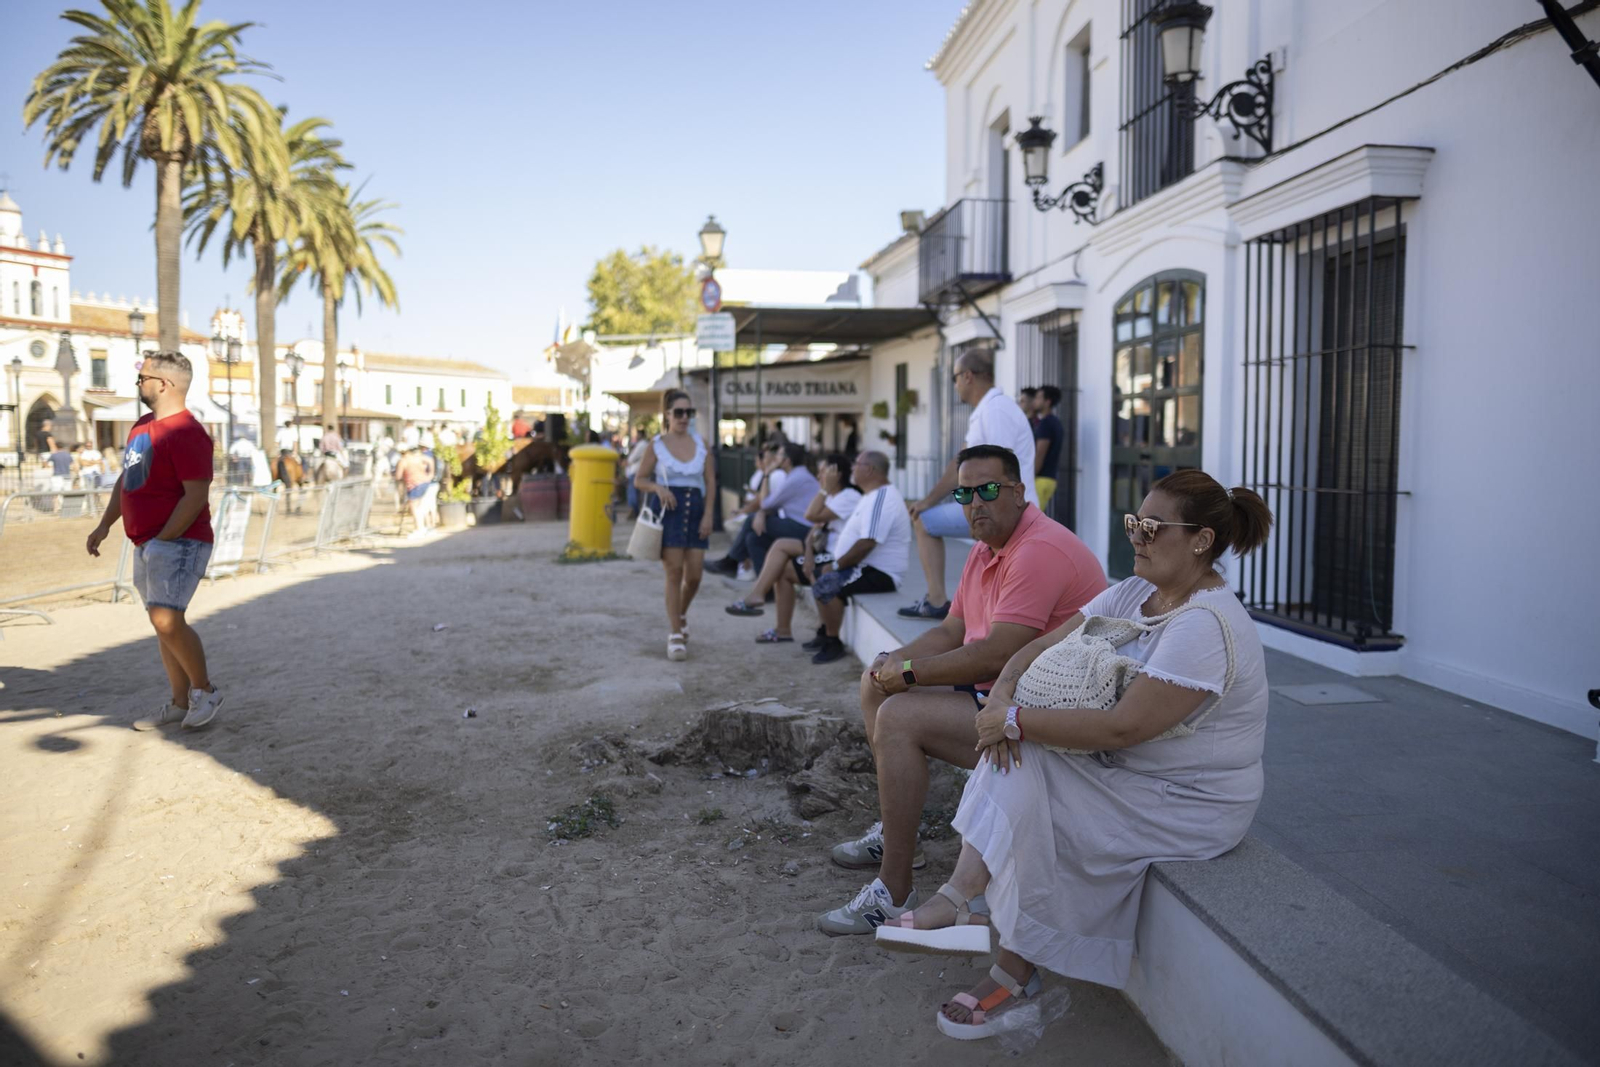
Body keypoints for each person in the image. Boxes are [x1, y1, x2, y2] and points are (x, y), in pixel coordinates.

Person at [882, 471, 1273, 1040]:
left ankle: (1003, 952)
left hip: (1190, 802)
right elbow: (1043, 643)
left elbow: (1123, 728)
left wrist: (1009, 720)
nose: (1137, 537)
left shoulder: (1207, 625)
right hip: (1136, 774)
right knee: (1018, 753)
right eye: (1133, 523)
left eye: (1152, 527)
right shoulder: (1141, 589)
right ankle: (969, 904)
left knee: (1031, 772)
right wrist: (1006, 697)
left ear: (1200, 541)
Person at [818, 445, 1105, 934]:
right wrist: (894, 662)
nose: (976, 503)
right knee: (875, 687)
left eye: (988, 490)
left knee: (899, 715)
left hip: (1045, 718)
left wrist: (909, 675)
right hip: (999, 696)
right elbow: (953, 631)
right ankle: (894, 833)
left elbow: (994, 653)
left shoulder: (1038, 551)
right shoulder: (985, 548)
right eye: (965, 493)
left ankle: (894, 891)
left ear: (1017, 491)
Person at [85, 351, 224, 731]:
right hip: (148, 541)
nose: (139, 384)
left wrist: (164, 539)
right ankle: (180, 702)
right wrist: (105, 525)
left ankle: (205, 691)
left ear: (164, 384)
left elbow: (195, 495)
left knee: (166, 620)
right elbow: (126, 481)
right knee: (162, 623)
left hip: (178, 541)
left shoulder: (188, 432)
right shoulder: (142, 426)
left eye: (143, 378)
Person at [900, 350, 1038, 620]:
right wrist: (929, 500)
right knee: (924, 516)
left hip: (1009, 508)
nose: (955, 386)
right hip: (992, 504)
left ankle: (938, 601)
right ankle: (940, 601)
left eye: (955, 378)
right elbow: (960, 466)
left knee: (924, 521)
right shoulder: (987, 410)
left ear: (968, 376)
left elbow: (998, 472)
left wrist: (980, 514)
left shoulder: (996, 410)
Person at [725, 452, 861, 641]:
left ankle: (757, 595)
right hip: (821, 549)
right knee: (780, 555)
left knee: (780, 557)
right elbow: (814, 529)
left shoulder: (848, 496)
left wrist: (823, 491)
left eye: (823, 472)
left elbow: (811, 516)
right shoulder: (832, 495)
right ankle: (780, 627)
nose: (819, 477)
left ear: (836, 474)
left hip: (837, 556)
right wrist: (807, 551)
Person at [803, 451, 913, 665]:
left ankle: (833, 642)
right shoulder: (871, 496)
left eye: (857, 464)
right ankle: (825, 632)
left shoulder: (883, 497)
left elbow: (867, 543)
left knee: (827, 583)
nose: (852, 468)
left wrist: (836, 565)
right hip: (865, 567)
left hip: (880, 572)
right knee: (820, 575)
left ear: (870, 469)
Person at [633, 389, 716, 661]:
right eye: (679, 412)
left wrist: (708, 515)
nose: (684, 417)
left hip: (695, 509)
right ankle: (675, 632)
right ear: (667, 414)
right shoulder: (656, 444)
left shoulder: (701, 443)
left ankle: (680, 612)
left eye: (688, 412)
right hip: (669, 510)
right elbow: (639, 479)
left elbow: (712, 483)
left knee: (694, 576)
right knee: (674, 572)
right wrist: (658, 488)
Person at [707, 443, 819, 578]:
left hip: (805, 529)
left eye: (779, 454)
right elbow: (768, 505)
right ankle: (768, 589)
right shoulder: (796, 475)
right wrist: (761, 513)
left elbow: (765, 504)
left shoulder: (796, 478)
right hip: (797, 525)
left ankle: (732, 561)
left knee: (750, 520)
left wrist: (766, 474)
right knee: (753, 539)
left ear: (787, 460)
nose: (775, 457)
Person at [1032, 385, 1065, 512]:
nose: (1035, 400)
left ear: (1048, 402)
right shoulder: (1055, 422)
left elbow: (1040, 453)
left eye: (1039, 397)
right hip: (1049, 479)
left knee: (1031, 520)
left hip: (1041, 479)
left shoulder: (1045, 424)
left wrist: (1030, 476)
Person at [623, 432, 651, 519]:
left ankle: (635, 511)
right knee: (638, 495)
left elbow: (631, 459)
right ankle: (636, 511)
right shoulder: (642, 445)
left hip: (636, 472)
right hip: (637, 471)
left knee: (633, 494)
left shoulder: (642, 445)